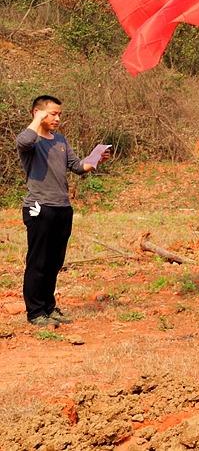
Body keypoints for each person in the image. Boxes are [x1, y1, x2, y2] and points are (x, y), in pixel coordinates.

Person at [17, 95, 106, 327]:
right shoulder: (31, 141)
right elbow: (24, 140)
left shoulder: (60, 140)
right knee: (38, 261)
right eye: (52, 114)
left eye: (59, 114)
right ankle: (35, 313)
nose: (57, 118)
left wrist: (95, 159)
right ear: (37, 113)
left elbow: (77, 167)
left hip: (62, 208)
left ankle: (48, 307)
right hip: (39, 207)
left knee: (54, 262)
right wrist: (37, 120)